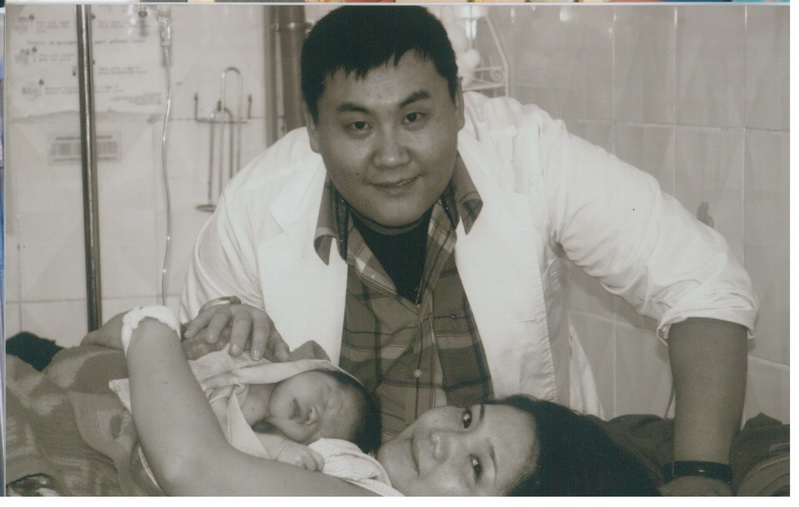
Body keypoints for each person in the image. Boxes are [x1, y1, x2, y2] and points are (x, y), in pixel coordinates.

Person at [179, 5, 757, 496]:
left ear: (459, 105)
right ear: (312, 128)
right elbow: (186, 407)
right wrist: (214, 345)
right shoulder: (253, 208)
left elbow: (703, 283)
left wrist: (700, 477)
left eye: (414, 117)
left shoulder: (528, 155)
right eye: (357, 126)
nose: (391, 156)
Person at [102, 309, 661, 496]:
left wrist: (152, 325)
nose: (441, 437)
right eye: (467, 418)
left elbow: (190, 467)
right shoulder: (345, 455)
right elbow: (96, 352)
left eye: (475, 468)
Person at [83, 307, 383, 478]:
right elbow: (190, 333)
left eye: (320, 430)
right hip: (126, 363)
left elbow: (228, 446)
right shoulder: (258, 349)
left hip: (123, 420)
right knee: (147, 321)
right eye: (327, 398)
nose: (314, 414)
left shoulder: (262, 439)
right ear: (310, 367)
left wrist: (279, 449)